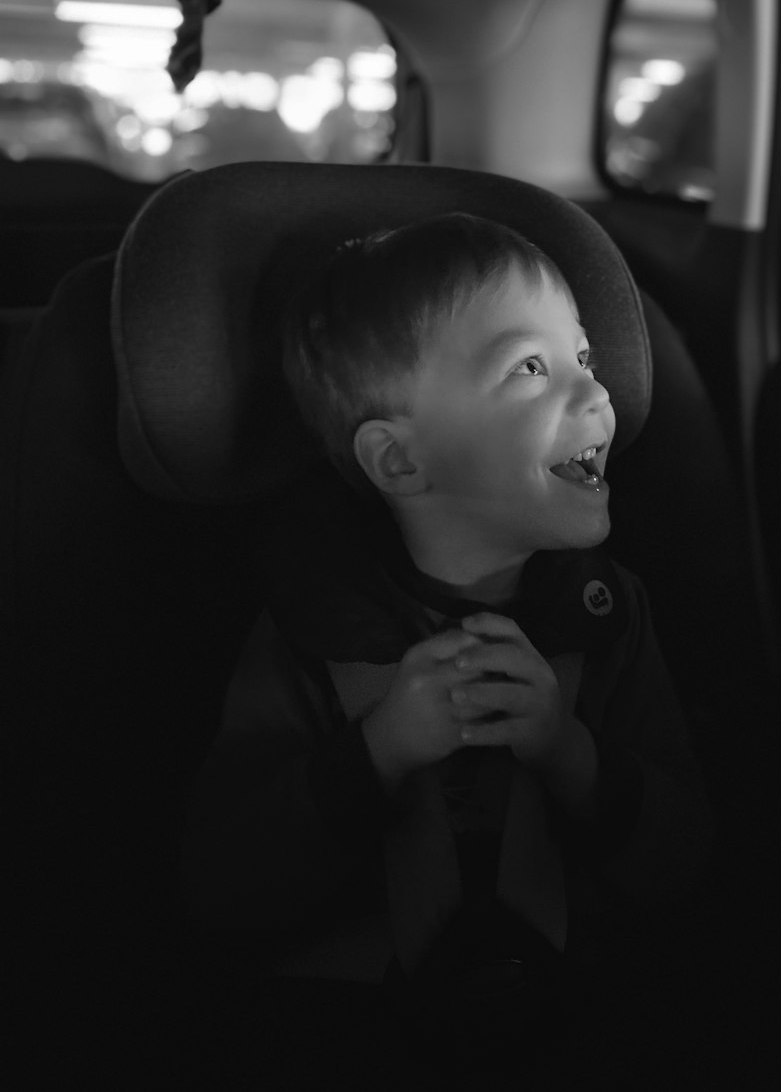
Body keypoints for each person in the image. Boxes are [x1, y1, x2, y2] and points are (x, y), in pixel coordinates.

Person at [180, 212, 714, 1089]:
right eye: (531, 369)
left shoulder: (608, 614)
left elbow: (685, 859)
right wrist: (376, 753)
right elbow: (222, 891)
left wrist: (573, 756)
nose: (595, 395)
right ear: (399, 460)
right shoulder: (310, 631)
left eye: (583, 356)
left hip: (579, 1023)